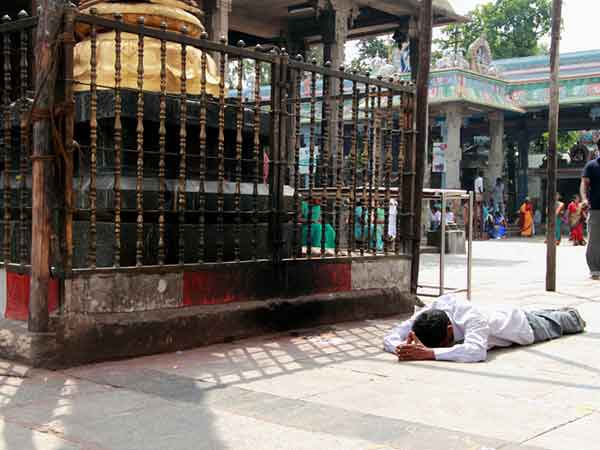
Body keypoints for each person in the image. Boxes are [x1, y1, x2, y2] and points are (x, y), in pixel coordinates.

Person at [383, 295, 586, 363]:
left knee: (564, 321)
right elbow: (391, 337)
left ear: (450, 330)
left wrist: (428, 353)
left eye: (444, 344)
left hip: (523, 327)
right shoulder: (428, 312)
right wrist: (402, 348)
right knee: (544, 313)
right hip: (497, 315)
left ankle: (571, 314)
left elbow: (476, 352)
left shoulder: (472, 317)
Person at [581, 145, 600, 279]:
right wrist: (584, 199)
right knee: (594, 240)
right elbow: (584, 184)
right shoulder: (592, 166)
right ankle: (595, 269)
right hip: (596, 208)